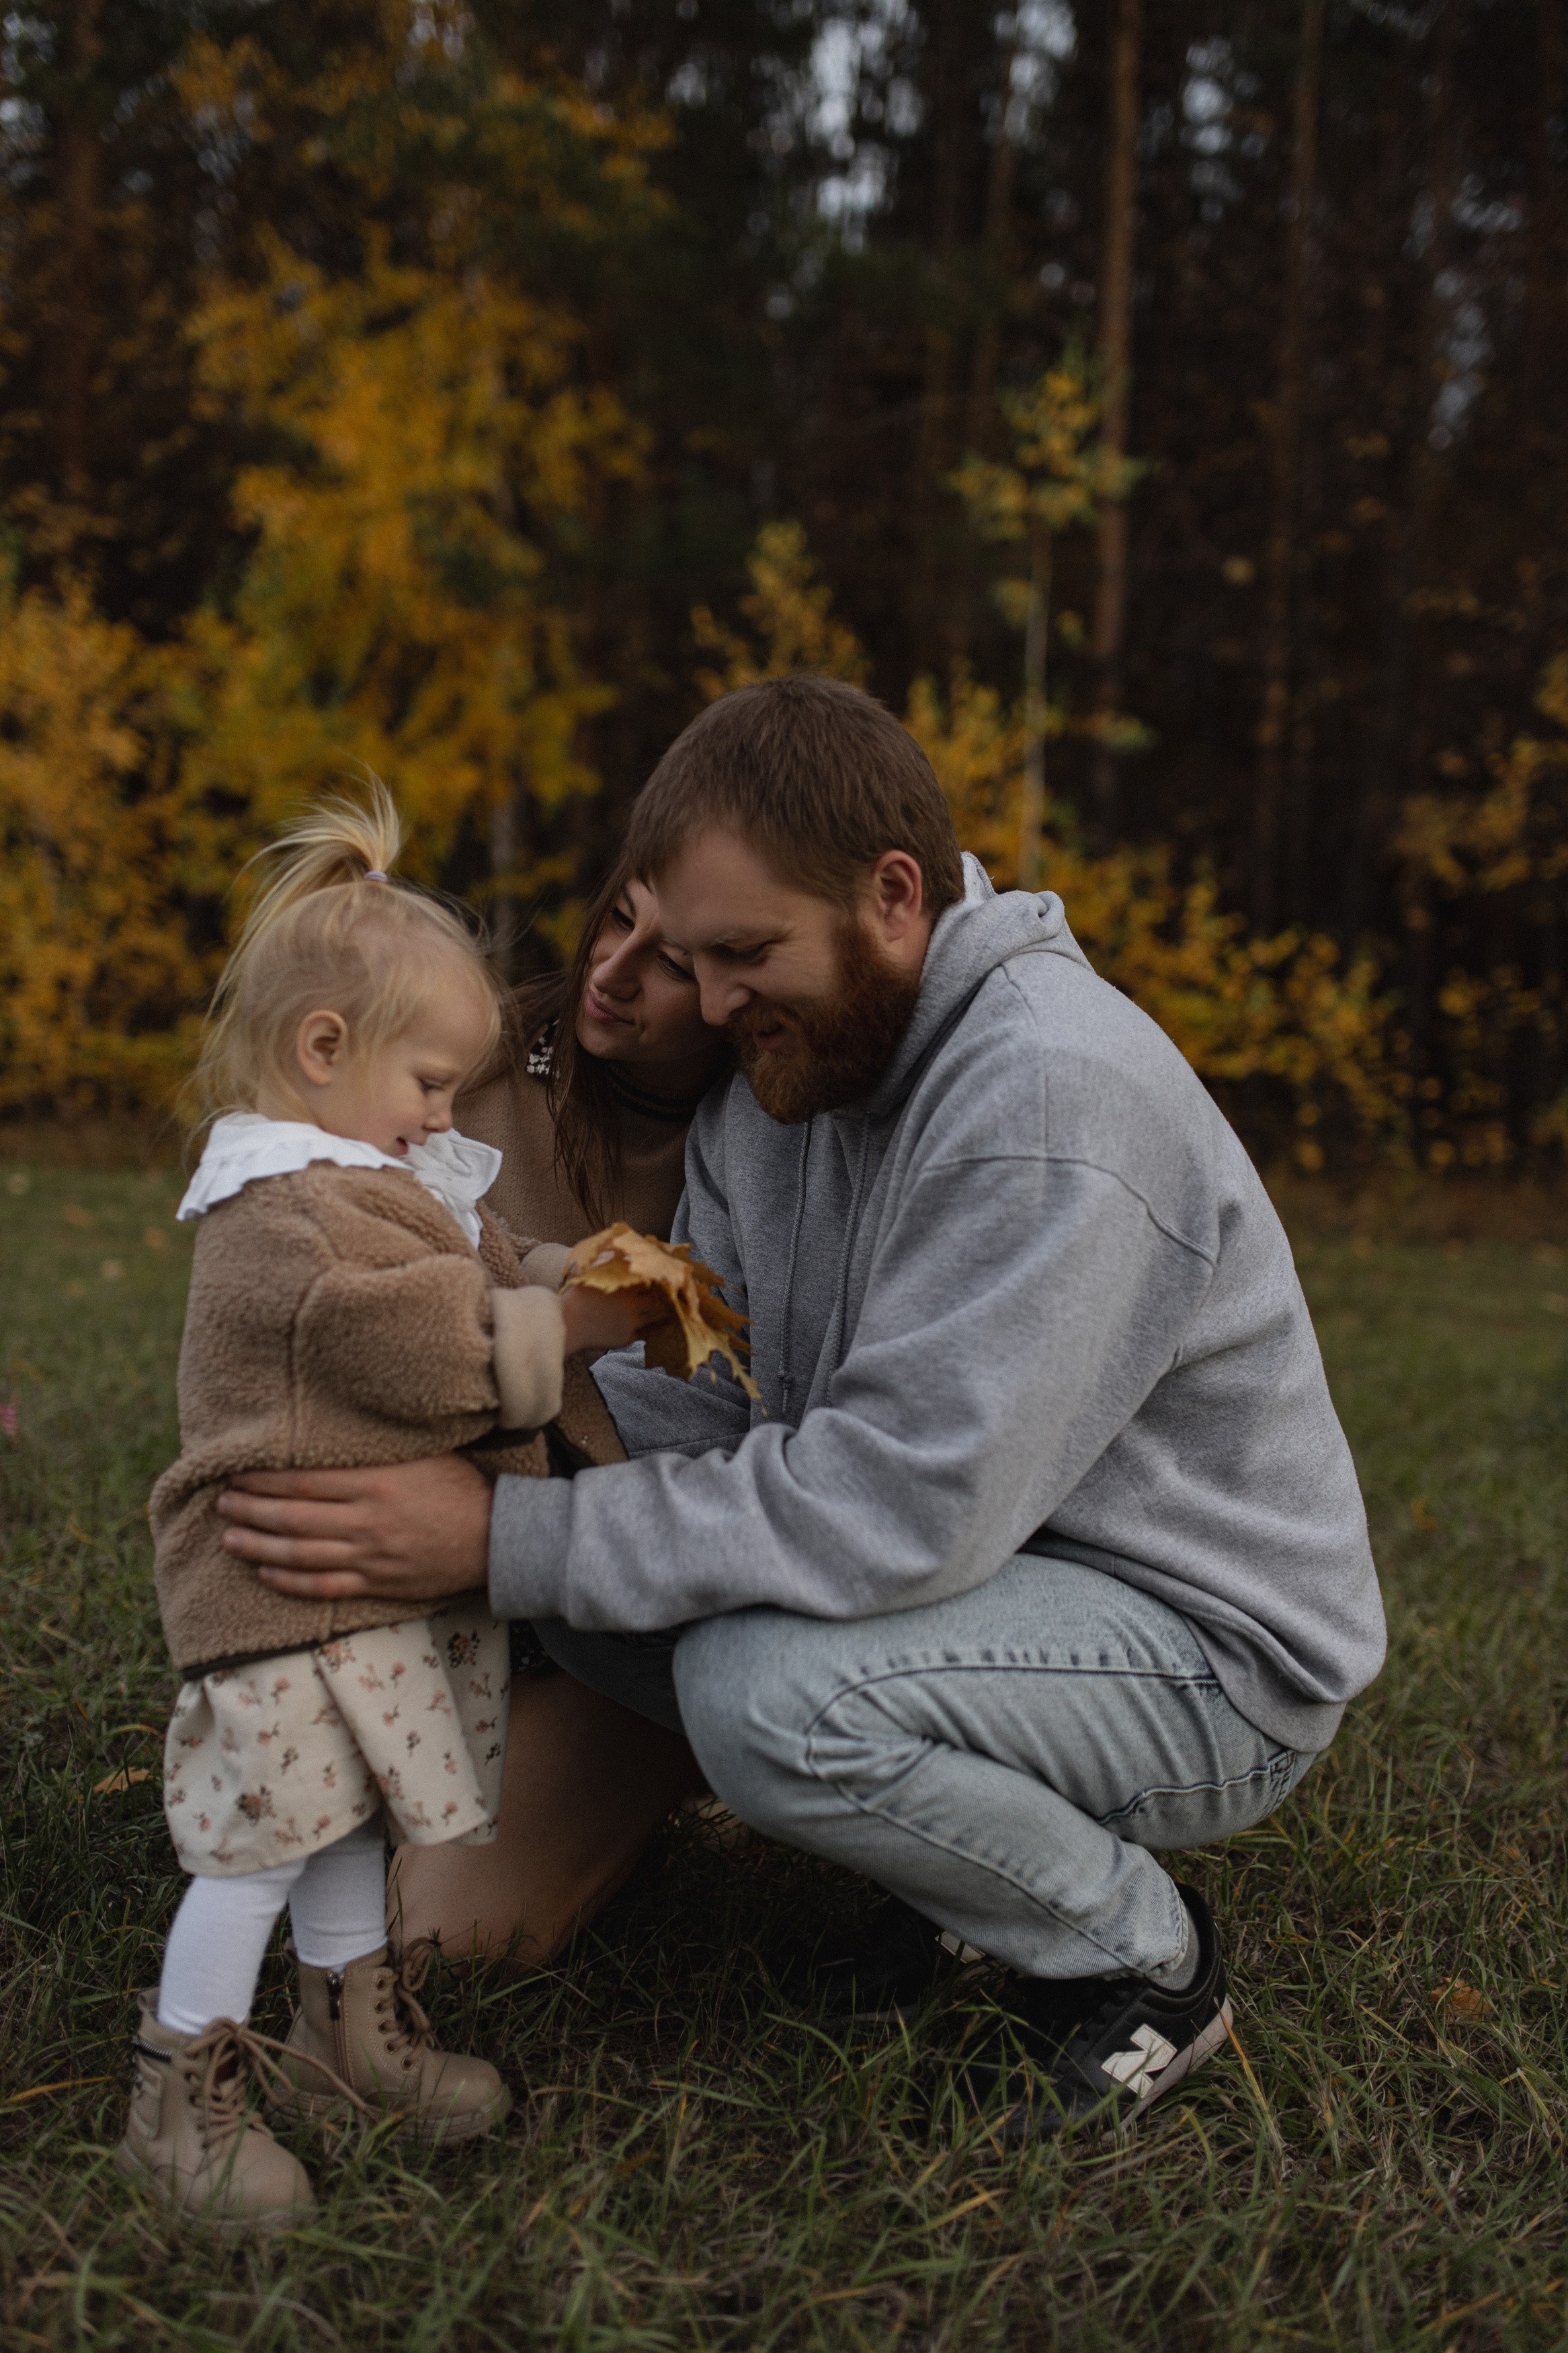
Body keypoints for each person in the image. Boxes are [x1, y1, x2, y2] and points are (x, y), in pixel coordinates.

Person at [216, 676, 1386, 2144]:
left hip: (1205, 1652)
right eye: (689, 956)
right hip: (1001, 1579)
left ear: (894, 897)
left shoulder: (1053, 1101)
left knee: (765, 1691)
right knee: (589, 1561)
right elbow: (723, 1413)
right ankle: (959, 1892)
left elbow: (895, 1513)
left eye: (744, 954)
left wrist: (499, 1535)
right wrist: (463, 1449)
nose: (705, 1006)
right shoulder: (783, 1077)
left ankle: (1142, 1956)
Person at [118, 786, 653, 2232]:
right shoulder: (281, 1212)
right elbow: (424, 1343)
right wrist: (563, 1332)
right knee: (266, 1839)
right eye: (429, 1081)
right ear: (321, 1051)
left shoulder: (381, 1165)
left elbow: (488, 1246)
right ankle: (180, 2092)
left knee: (358, 1818)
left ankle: (349, 2034)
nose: (445, 1112)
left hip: (366, 1600)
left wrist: (567, 1265)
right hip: (279, 1594)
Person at [386, 858, 729, 1962]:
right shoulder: (464, 1053)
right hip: (436, 1568)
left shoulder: (773, 1128)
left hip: (627, 1592)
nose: (611, 971)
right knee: (378, 1903)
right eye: (615, 921)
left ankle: (673, 1738)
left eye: (669, 963)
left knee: (445, 1935)